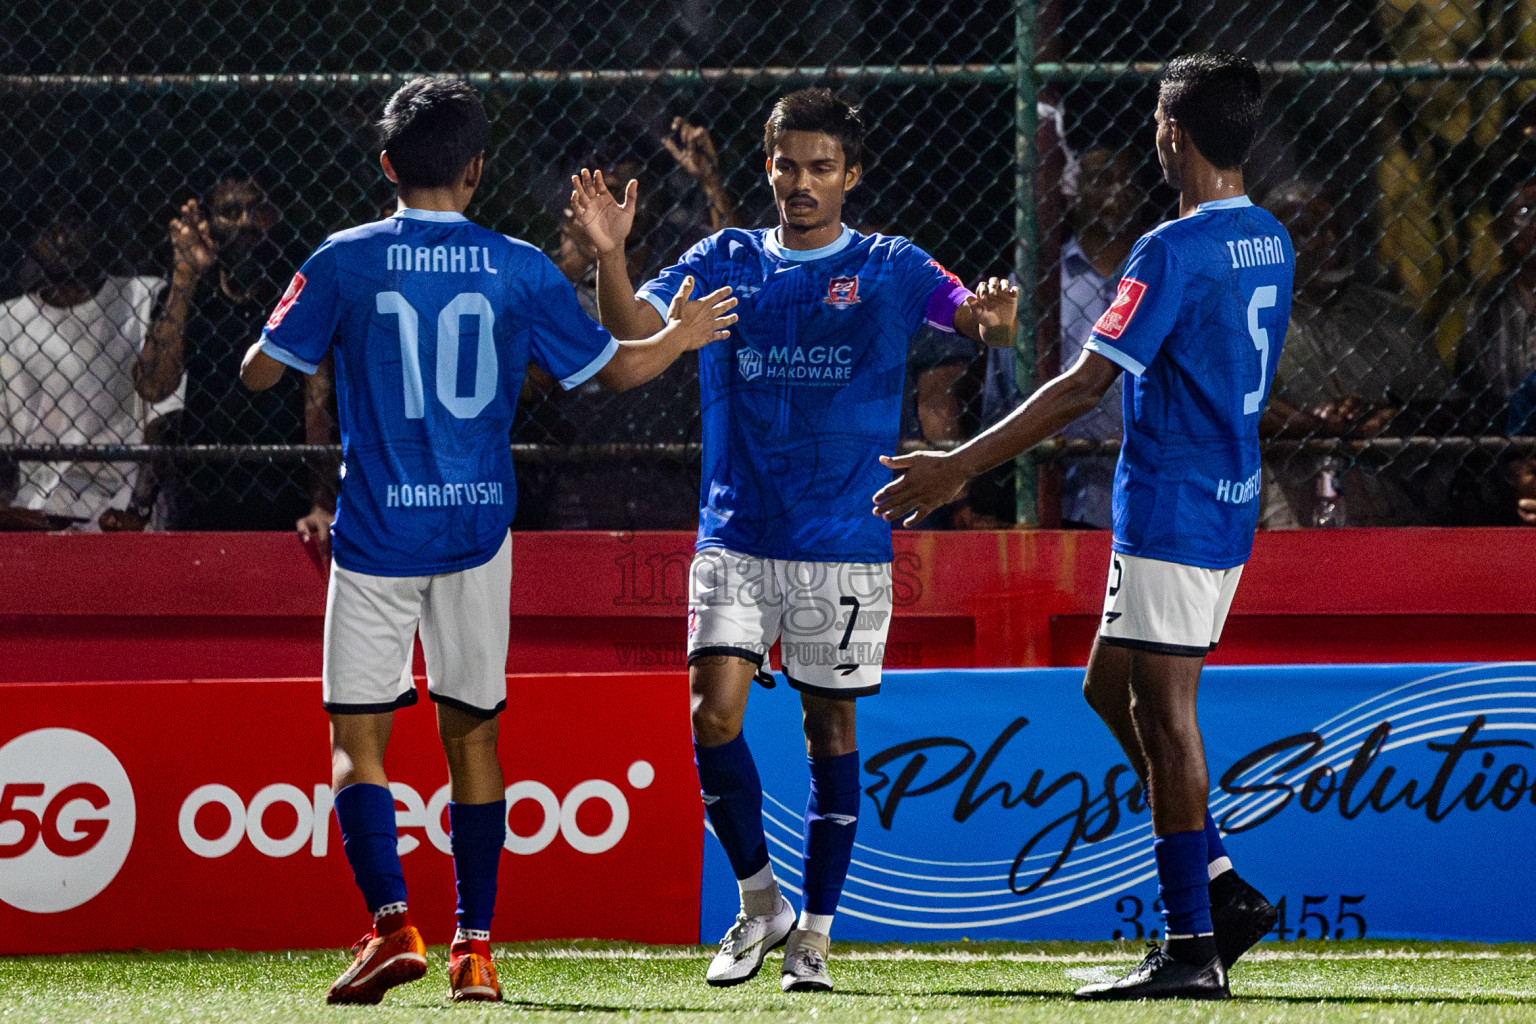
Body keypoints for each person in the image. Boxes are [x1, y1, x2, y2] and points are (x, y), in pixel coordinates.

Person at [239, 76, 736, 1005]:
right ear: (477, 169)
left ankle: (393, 927)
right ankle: (475, 947)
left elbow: (262, 373)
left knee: (359, 744)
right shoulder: (518, 267)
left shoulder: (344, 259)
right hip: (476, 533)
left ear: (387, 165)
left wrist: (300, 324)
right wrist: (683, 331)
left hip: (379, 535)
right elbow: (620, 371)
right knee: (473, 738)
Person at [571, 87, 1018, 993]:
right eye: (787, 164)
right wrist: (611, 259)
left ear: (852, 174)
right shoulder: (724, 256)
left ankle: (813, 931)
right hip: (735, 531)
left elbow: (969, 313)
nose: (801, 182)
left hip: (845, 538)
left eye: (821, 167)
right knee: (711, 715)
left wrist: (995, 317)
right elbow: (630, 331)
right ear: (767, 163)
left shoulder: (890, 266)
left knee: (829, 730)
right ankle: (757, 899)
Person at [873, 52, 1286, 1001]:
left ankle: (1191, 946)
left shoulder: (1169, 250)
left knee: (1166, 721)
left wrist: (958, 465)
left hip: (1174, 507)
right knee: (1112, 690)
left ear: (1171, 134)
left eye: (1155, 118)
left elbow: (1087, 385)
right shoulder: (1269, 236)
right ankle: (1219, 889)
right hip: (1222, 497)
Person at [134, 157, 322, 532]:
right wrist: (185, 277)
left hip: (283, 491)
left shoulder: (299, 292)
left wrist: (321, 502)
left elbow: (317, 403)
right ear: (209, 223)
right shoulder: (192, 292)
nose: (247, 223)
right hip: (201, 493)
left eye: (257, 209)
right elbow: (154, 385)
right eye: (231, 212)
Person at [1260, 180, 1461, 526]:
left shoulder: (1389, 316)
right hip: (1291, 517)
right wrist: (1317, 427)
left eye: (1336, 227)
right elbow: (1233, 408)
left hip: (1391, 510)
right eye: (1305, 229)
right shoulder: (1249, 318)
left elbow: (1451, 409)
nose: (1329, 241)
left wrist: (1388, 414)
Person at [0, 201, 182, 531]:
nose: (60, 238)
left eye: (72, 222)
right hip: (35, 509)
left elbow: (164, 418)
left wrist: (138, 509)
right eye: (46, 226)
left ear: (96, 229)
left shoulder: (143, 298)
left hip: (123, 506)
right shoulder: (7, 320)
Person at [1056, 148, 1148, 528]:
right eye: (1101, 179)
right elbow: (1007, 395)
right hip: (1065, 495)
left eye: (1127, 180)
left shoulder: (1158, 274)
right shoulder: (1041, 282)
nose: (1119, 191)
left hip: (1151, 489)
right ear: (1071, 193)